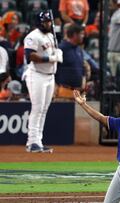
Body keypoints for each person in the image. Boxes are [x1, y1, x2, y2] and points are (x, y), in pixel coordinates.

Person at [23, 11, 63, 153]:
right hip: (37, 75)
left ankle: (38, 141)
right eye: (46, 21)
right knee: (37, 108)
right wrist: (50, 59)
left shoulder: (51, 36)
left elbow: (53, 52)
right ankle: (32, 142)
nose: (48, 24)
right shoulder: (32, 36)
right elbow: (30, 56)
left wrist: (57, 54)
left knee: (44, 109)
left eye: (49, 21)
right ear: (39, 22)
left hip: (50, 76)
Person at [55, 23, 86, 100]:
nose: (83, 36)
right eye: (81, 34)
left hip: (78, 92)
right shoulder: (61, 48)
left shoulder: (79, 50)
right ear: (75, 34)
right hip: (64, 91)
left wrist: (83, 81)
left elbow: (82, 68)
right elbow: (54, 68)